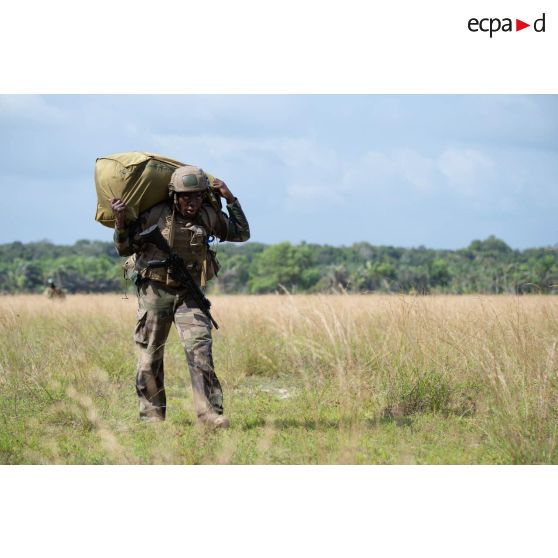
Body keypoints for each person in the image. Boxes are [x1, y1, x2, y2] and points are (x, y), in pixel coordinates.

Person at [110, 166, 250, 427]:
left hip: (190, 293)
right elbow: (124, 248)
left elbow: (241, 233)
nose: (192, 202)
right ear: (174, 196)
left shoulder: (207, 216)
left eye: (197, 196)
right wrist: (119, 222)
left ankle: (209, 415)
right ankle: (152, 418)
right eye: (187, 197)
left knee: (200, 352)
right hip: (155, 291)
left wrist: (230, 199)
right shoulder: (155, 215)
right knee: (150, 356)